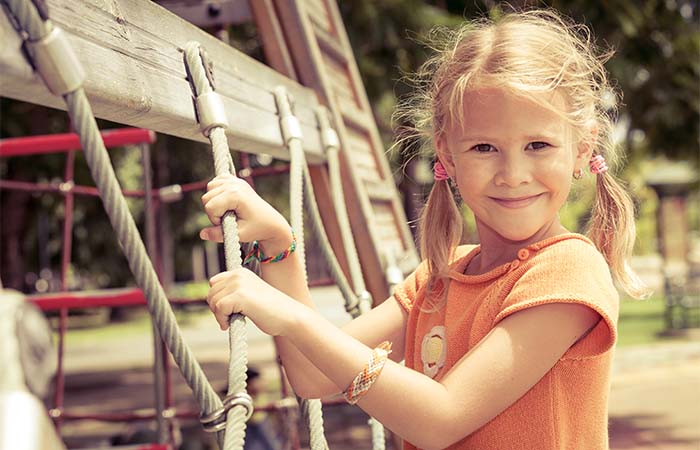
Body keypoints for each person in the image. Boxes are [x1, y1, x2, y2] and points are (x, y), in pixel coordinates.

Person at [199, 9, 649, 450]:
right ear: (448, 157)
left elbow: (441, 419)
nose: (513, 174)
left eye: (538, 145)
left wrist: (293, 316)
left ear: (581, 149)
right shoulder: (442, 276)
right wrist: (281, 248)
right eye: (484, 147)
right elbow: (313, 375)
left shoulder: (568, 269)